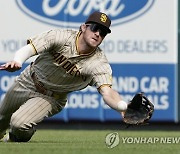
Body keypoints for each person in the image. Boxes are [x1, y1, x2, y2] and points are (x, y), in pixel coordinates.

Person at [0, 11, 127, 142]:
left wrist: (121, 106)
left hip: (51, 97)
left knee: (18, 123)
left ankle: (17, 137)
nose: (98, 34)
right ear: (83, 27)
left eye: (103, 32)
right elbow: (29, 49)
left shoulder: (98, 63)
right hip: (28, 80)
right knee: (1, 117)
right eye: (95, 28)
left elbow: (107, 92)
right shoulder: (61, 37)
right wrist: (18, 61)